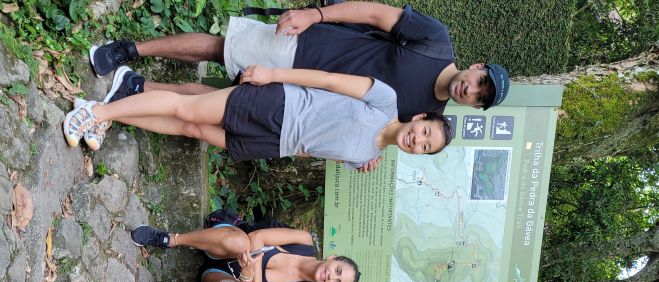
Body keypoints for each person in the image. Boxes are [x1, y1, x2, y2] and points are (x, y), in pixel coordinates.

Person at [87, 1, 511, 122]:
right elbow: (373, 14)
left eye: (479, 97)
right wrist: (316, 15)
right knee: (222, 48)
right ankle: (130, 50)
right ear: (476, 66)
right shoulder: (435, 41)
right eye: (479, 81)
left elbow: (379, 127)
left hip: (304, 103)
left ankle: (138, 88)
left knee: (224, 98)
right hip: (311, 48)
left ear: (474, 106)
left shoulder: (426, 117)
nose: (471, 89)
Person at [63, 64, 451, 166]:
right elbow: (330, 81)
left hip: (274, 144)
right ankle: (96, 110)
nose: (418, 141)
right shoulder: (385, 99)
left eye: (424, 148)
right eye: (425, 133)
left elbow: (314, 151)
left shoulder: (368, 158)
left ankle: (112, 116)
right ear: (419, 118)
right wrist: (273, 75)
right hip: (280, 104)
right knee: (188, 107)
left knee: (191, 127)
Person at [121, 223, 361, 282]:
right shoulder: (303, 241)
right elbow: (258, 236)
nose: (331, 277)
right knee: (243, 242)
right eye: (338, 270)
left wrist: (249, 277)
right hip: (224, 243)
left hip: (223, 277)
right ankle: (169, 239)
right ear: (333, 257)